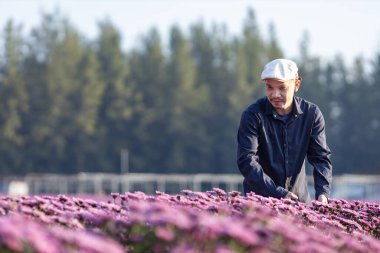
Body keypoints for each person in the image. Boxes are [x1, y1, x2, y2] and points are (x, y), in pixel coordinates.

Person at [236, 58, 332, 205]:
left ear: (296, 84)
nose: (275, 94)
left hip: (300, 205)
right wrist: (277, 192)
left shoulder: (311, 114)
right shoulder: (253, 115)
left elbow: (320, 158)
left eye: (282, 88)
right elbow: (247, 160)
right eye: (269, 87)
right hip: (259, 204)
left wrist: (323, 194)